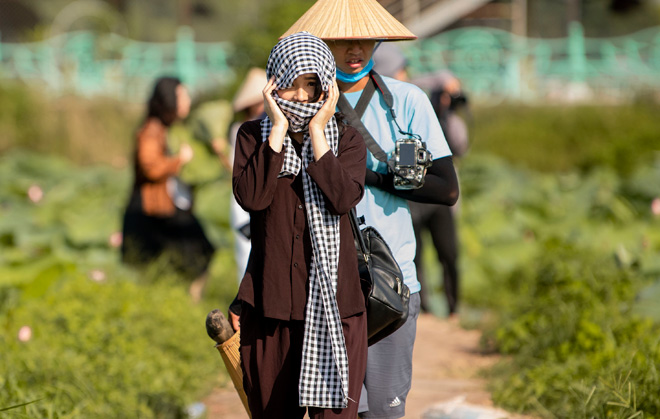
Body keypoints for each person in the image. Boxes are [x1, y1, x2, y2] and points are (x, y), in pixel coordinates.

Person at [281, 1, 459, 418]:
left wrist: (373, 178)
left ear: (379, 40)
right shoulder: (302, 106)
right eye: (341, 41)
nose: (353, 49)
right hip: (323, 284)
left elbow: (447, 189)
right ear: (323, 43)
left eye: (362, 38)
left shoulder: (408, 100)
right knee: (335, 412)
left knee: (381, 412)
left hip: (391, 282)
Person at [232, 32, 368, 418]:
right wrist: (275, 132)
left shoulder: (347, 140)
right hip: (270, 307)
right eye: (290, 84)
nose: (301, 96)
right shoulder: (252, 137)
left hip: (336, 308)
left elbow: (343, 199)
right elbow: (252, 199)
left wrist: (317, 134)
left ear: (326, 86)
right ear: (273, 83)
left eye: (311, 84)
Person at [373, 47, 469, 318]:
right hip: (411, 194)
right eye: (402, 69)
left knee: (447, 252)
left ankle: (452, 307)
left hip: (432, 193)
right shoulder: (386, 105)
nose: (408, 74)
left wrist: (447, 102)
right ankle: (424, 306)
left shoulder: (414, 99)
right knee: (417, 256)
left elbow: (460, 145)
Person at [121, 76, 215, 302]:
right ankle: (181, 302)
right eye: (183, 96)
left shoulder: (172, 129)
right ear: (169, 99)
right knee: (186, 254)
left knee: (198, 251)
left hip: (166, 207)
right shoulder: (152, 130)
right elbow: (150, 167)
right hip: (151, 209)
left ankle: (185, 300)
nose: (187, 101)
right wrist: (179, 160)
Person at [224, 67, 267, 284]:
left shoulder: (270, 126)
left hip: (262, 191)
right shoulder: (241, 129)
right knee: (245, 251)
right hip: (243, 196)